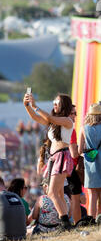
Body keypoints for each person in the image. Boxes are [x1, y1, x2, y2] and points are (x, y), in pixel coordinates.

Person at [23, 92, 74, 231]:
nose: (54, 105)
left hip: (62, 156)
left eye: (56, 102)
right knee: (58, 193)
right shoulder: (53, 122)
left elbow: (50, 117)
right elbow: (36, 118)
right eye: (54, 102)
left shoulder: (68, 120)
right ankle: (66, 223)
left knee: (52, 192)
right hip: (56, 157)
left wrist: (36, 106)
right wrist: (28, 106)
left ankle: (64, 222)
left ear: (63, 105)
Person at [78, 102, 101, 221]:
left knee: (92, 195)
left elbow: (80, 150)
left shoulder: (84, 128)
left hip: (91, 165)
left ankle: (92, 220)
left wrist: (89, 153)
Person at [67, 105, 83, 225]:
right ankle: (77, 223)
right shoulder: (71, 130)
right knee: (75, 199)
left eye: (75, 113)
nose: (74, 116)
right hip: (71, 168)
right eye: (71, 113)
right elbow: (73, 153)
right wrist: (82, 150)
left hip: (60, 168)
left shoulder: (58, 128)